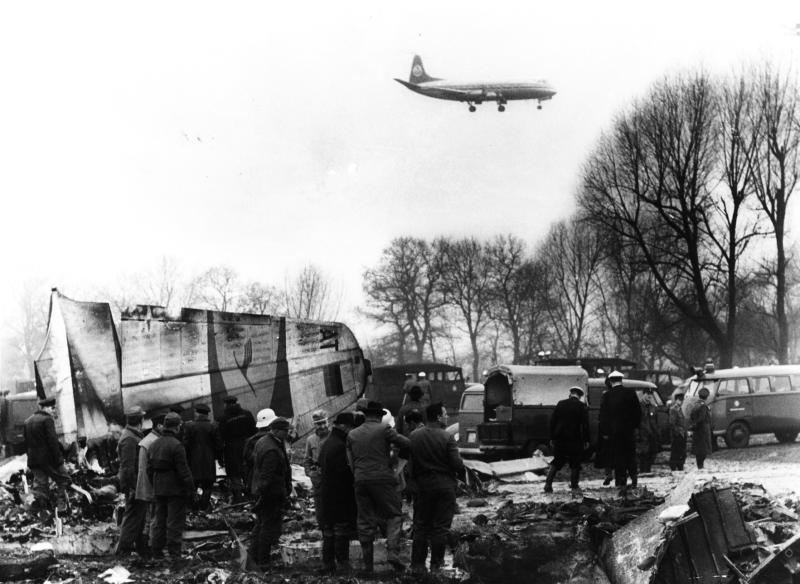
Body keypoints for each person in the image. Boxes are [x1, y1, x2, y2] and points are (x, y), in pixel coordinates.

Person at [346, 400, 410, 575]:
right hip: (382, 479)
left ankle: (368, 568)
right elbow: (407, 443)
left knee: (365, 521)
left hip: (360, 480)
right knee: (394, 515)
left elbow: (351, 462)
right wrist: (395, 462)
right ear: (379, 416)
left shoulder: (352, 434)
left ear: (366, 415)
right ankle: (392, 553)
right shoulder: (384, 430)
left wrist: (360, 475)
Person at [408, 402, 464, 575]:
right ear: (438, 417)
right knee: (440, 527)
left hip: (422, 487)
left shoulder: (413, 436)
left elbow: (410, 465)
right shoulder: (447, 437)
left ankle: (417, 565)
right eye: (445, 414)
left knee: (421, 526)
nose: (447, 417)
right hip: (444, 487)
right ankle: (436, 566)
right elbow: (457, 464)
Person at [147, 412, 194, 558]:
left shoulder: (154, 444)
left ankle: (156, 551)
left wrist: (156, 483)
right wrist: (190, 489)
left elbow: (149, 469)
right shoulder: (177, 445)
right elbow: (184, 471)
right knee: (174, 522)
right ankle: (175, 554)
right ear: (177, 427)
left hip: (159, 488)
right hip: (175, 490)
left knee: (159, 520)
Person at [249, 417, 292, 569]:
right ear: (277, 430)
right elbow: (267, 477)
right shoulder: (272, 450)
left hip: (262, 491)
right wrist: (265, 497)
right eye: (286, 431)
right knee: (268, 528)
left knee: (260, 526)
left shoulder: (264, 441)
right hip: (270, 494)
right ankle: (263, 562)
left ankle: (253, 558)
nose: (288, 433)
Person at [318, 412, 358, 574]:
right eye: (350, 427)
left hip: (326, 493)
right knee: (341, 530)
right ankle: (342, 563)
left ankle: (327, 564)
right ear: (344, 426)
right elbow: (344, 472)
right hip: (339, 494)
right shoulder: (341, 445)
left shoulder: (328, 442)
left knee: (328, 531)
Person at [23, 396, 71, 521]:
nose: (54, 410)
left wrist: (29, 461)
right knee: (64, 479)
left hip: (34, 461)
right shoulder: (47, 420)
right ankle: (61, 507)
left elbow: (26, 444)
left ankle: (35, 512)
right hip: (48, 461)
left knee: (41, 486)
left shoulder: (28, 421)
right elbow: (53, 442)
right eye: (52, 408)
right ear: (44, 408)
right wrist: (59, 461)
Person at [600, 371, 641, 495]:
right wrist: (634, 427)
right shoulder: (631, 393)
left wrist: (605, 432)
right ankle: (634, 479)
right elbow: (638, 412)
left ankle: (621, 482)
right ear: (621, 380)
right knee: (630, 455)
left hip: (614, 433)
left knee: (618, 457)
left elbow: (603, 416)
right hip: (628, 432)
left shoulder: (607, 396)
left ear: (611, 381)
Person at [544, 386, 590, 494]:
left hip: (560, 438)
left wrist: (552, 437)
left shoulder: (561, 403)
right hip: (575, 439)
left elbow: (553, 421)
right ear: (580, 396)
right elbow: (585, 425)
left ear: (570, 394)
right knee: (575, 463)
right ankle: (574, 486)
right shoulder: (581, 406)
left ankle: (548, 484)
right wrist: (586, 440)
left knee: (557, 461)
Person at [115, 406, 148, 556]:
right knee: (132, 517)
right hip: (134, 485)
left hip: (136, 483)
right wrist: (135, 487)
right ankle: (123, 550)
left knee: (139, 516)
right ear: (140, 420)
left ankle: (141, 548)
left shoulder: (132, 435)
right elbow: (128, 467)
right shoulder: (129, 438)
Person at [136, 410, 167, 553]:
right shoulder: (154, 442)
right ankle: (149, 547)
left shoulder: (147, 440)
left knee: (149, 517)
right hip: (152, 485)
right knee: (154, 517)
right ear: (160, 426)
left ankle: (144, 547)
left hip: (145, 484)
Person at [183, 403, 223, 510]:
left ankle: (192, 508)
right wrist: (219, 459)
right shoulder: (214, 426)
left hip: (193, 462)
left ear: (197, 413)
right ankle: (203, 507)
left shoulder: (189, 426)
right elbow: (218, 445)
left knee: (192, 486)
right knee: (207, 486)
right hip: (209, 461)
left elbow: (185, 444)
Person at [217, 396, 257, 503]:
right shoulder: (247, 414)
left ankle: (239, 501)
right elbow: (254, 431)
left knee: (234, 475)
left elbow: (221, 438)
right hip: (247, 447)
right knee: (248, 473)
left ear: (226, 404)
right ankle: (252, 500)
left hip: (231, 450)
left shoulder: (223, 418)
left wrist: (220, 457)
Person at [303, 410, 330, 530]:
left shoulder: (334, 436)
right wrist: (311, 474)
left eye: (324, 422)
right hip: (318, 478)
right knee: (320, 506)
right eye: (319, 424)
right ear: (314, 424)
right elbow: (307, 460)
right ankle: (323, 528)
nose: (322, 426)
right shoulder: (311, 440)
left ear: (328, 422)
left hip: (332, 476)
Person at [243, 408, 277, 494]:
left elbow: (247, 461)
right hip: (274, 481)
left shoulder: (250, 441)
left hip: (255, 482)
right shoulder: (274, 440)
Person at [637, 386, 660, 473]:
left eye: (650, 396)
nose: (648, 397)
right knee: (643, 454)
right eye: (647, 395)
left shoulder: (653, 407)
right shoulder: (639, 407)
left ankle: (647, 470)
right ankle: (643, 471)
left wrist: (657, 433)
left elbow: (655, 421)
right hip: (642, 435)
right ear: (643, 395)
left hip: (651, 435)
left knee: (652, 453)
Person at [689, 387, 712, 470]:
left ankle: (700, 465)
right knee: (703, 450)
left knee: (699, 449)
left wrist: (693, 425)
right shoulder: (703, 406)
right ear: (707, 397)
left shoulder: (696, 405)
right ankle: (700, 466)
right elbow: (702, 418)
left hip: (697, 431)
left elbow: (692, 416)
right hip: (703, 430)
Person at [669, 392, 687, 471]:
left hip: (682, 433)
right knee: (676, 451)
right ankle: (675, 466)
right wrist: (677, 433)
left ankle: (680, 465)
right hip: (677, 434)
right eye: (680, 400)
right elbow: (672, 423)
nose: (681, 401)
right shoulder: (674, 410)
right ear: (676, 400)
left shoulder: (680, 409)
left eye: (682, 400)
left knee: (681, 451)